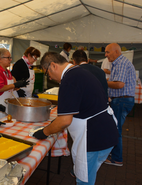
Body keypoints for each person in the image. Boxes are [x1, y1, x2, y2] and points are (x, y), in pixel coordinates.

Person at [33, 52, 118, 184]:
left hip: (93, 139)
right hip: (106, 133)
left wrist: (45, 132)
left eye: (47, 73)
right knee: (89, 174)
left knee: (84, 181)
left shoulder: (69, 79)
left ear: (53, 65)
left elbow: (64, 121)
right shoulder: (79, 72)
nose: (49, 78)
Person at [104, 43, 136, 166]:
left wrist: (104, 82)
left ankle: (117, 158)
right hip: (121, 100)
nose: (106, 55)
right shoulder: (118, 63)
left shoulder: (121, 63)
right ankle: (114, 153)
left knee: (115, 130)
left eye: (108, 52)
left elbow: (119, 84)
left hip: (121, 100)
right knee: (114, 128)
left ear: (116, 52)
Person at [0, 48, 28, 120]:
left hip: (5, 103)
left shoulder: (7, 71)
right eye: (8, 58)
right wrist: (15, 85)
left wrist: (17, 89)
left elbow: (8, 87)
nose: (10, 60)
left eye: (10, 57)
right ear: (0, 59)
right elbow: (0, 88)